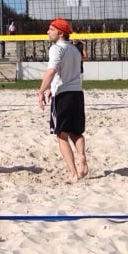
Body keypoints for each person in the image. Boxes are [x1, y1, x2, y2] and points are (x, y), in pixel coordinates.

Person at [37, 18, 88, 183]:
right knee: (76, 132)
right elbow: (65, 72)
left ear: (60, 33)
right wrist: (52, 88)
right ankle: (82, 157)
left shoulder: (56, 48)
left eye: (50, 29)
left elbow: (51, 71)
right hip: (77, 93)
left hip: (64, 95)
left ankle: (73, 173)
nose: (47, 32)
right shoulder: (74, 49)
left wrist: (41, 91)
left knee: (61, 135)